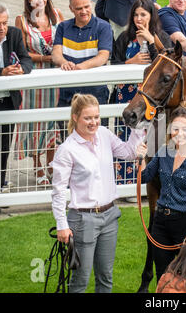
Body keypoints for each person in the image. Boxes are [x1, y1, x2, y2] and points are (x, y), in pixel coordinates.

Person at [51, 93, 145, 293]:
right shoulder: (67, 150)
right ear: (75, 117)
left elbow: (128, 153)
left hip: (110, 216)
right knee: (80, 281)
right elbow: (58, 191)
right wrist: (61, 224)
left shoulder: (103, 133)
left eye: (96, 117)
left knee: (106, 277)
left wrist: (137, 129)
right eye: (87, 118)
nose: (93, 122)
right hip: (83, 220)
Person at [136, 102, 186, 282]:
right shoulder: (164, 152)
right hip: (160, 222)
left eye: (185, 129)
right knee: (162, 275)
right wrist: (140, 158)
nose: (180, 134)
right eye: (176, 129)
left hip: (184, 223)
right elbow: (145, 177)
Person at [110, 0, 171, 199]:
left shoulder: (161, 36)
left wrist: (152, 41)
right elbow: (115, 63)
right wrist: (130, 62)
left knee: (152, 138)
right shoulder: (124, 38)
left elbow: (166, 63)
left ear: (151, 16)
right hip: (127, 95)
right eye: (135, 15)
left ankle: (153, 181)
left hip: (151, 97)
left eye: (143, 15)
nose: (138, 19)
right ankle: (127, 183)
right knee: (128, 139)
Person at [13, 0, 64, 187]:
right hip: (34, 77)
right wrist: (44, 59)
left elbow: (67, 37)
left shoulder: (57, 15)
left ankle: (52, 164)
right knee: (35, 122)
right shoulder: (22, 20)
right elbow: (20, 51)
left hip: (55, 78)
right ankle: (38, 165)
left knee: (52, 121)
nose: (39, 0)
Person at [52, 0, 113, 141]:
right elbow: (55, 54)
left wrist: (80, 67)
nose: (84, 11)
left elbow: (103, 56)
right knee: (69, 142)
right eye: (79, 8)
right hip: (68, 96)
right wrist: (63, 62)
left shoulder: (103, 27)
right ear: (71, 8)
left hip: (95, 96)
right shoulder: (63, 27)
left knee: (98, 143)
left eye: (86, 6)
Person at [0, 2, 32, 204]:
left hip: (8, 101)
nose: (2, 28)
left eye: (4, 23)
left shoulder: (14, 34)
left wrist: (20, 69)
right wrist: (2, 72)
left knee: (4, 147)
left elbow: (26, 59)